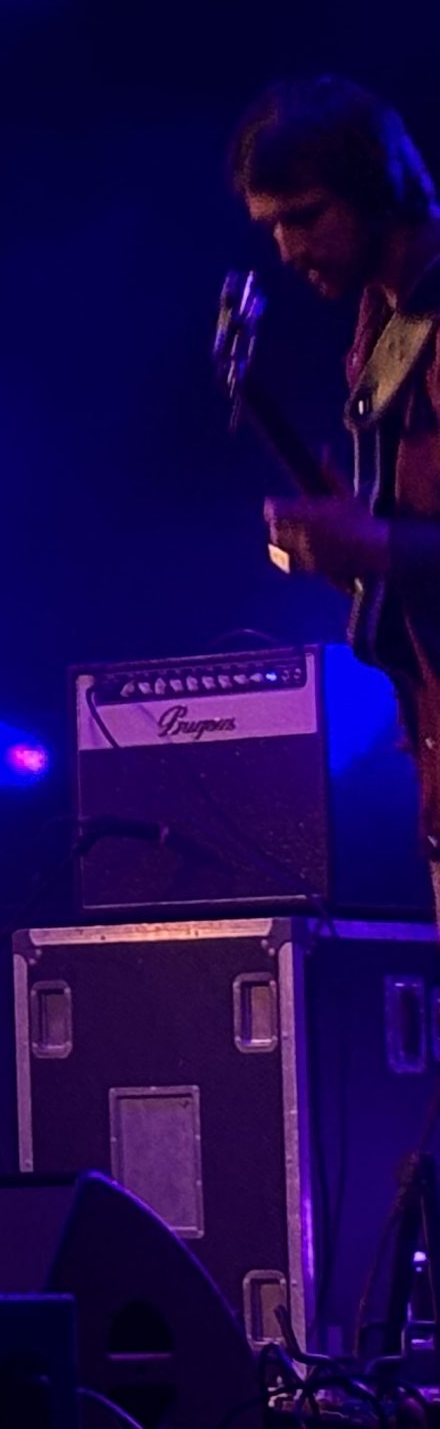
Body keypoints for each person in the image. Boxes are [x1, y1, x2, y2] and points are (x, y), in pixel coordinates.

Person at [236, 76, 440, 925]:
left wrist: (376, 547)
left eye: (307, 215)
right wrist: (348, 543)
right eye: (272, 224)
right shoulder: (381, 325)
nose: (287, 248)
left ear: (378, 186)